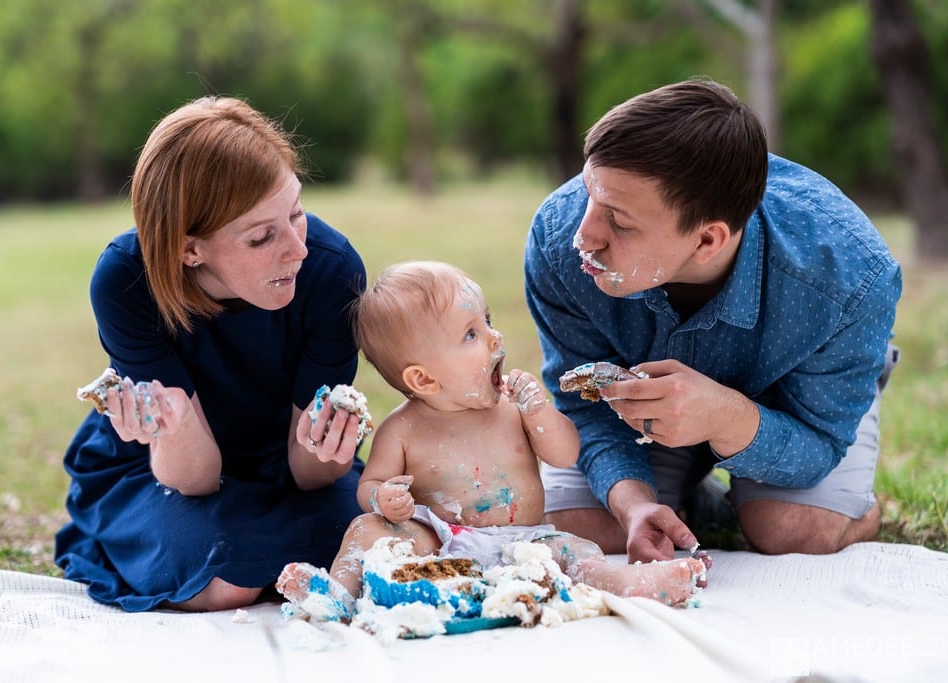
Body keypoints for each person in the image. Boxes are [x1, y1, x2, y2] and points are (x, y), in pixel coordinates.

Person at [524, 78, 902, 565]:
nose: (584, 235)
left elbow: (820, 439)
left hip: (794, 397)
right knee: (583, 525)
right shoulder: (558, 239)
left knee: (793, 529)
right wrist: (635, 506)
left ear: (707, 241)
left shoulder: (850, 276)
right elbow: (584, 407)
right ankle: (691, 500)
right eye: (588, 194)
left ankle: (855, 509)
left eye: (618, 221)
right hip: (639, 402)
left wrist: (726, 417)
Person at [55, 96, 370, 612]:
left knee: (368, 542)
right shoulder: (127, 282)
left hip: (281, 463)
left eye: (297, 214)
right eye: (263, 236)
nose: (298, 249)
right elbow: (195, 478)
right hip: (162, 470)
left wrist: (327, 448)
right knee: (227, 576)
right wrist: (172, 426)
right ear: (188, 249)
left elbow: (309, 471)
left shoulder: (332, 272)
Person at [276, 261, 709, 619]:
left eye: (487, 321)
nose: (493, 337)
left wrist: (540, 413)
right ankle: (335, 592)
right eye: (471, 334)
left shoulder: (513, 409)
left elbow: (564, 454)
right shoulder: (401, 428)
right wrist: (383, 499)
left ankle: (635, 583)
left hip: (525, 542)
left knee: (576, 553)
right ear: (422, 378)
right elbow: (370, 486)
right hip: (439, 543)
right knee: (366, 530)